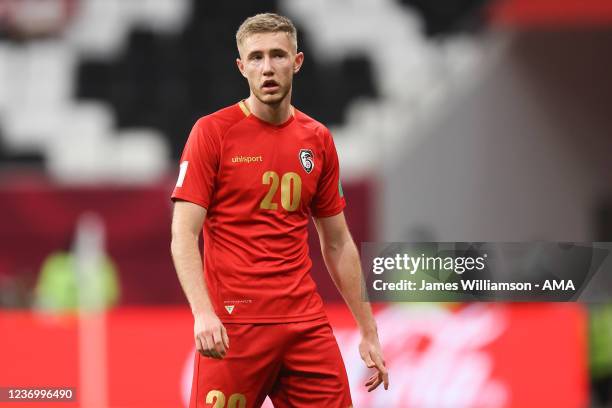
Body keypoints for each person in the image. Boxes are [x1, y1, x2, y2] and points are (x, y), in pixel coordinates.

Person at [170, 13, 388, 408]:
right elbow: (183, 235)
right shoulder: (212, 133)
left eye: (277, 55)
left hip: (304, 325)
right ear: (241, 67)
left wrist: (368, 329)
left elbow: (337, 242)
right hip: (235, 327)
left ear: (297, 61)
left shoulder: (317, 139)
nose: (267, 68)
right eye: (255, 58)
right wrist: (203, 314)